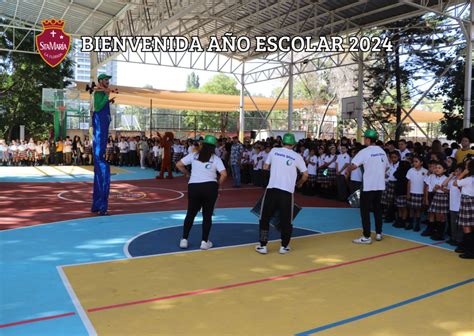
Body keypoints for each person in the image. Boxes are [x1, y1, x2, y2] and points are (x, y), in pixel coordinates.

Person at [255, 133, 308, 254]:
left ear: (282, 142)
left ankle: (263, 245)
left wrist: (271, 177)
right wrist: (299, 183)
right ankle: (284, 246)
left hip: (272, 189)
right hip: (287, 192)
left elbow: (265, 166)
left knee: (264, 218)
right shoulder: (297, 156)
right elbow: (305, 175)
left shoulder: (274, 151)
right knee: (286, 220)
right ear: (293, 144)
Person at [176, 135, 227, 250]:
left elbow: (179, 164)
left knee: (190, 213)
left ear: (202, 144)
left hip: (194, 187)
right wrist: (218, 184)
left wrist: (187, 173)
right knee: (207, 215)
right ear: (214, 147)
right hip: (210, 187)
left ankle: (184, 239)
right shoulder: (216, 159)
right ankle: (204, 241)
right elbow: (224, 174)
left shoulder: (194, 155)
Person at [346, 130, 388, 244]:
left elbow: (354, 166)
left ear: (369, 140)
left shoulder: (364, 152)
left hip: (368, 185)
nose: (364, 140)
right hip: (379, 185)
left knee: (364, 211)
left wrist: (347, 170)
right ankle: (379, 233)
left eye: (365, 138)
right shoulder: (382, 151)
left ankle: (366, 236)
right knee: (377, 209)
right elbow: (387, 167)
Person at [91, 73, 113, 216]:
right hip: (99, 135)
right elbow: (98, 107)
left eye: (108, 80)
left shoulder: (101, 92)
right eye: (106, 80)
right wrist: (106, 96)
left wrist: (108, 100)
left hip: (102, 134)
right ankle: (102, 207)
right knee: (103, 171)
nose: (108, 82)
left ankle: (97, 205)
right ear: (100, 81)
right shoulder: (99, 94)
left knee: (99, 171)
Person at [453, 159, 474, 259]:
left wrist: (463, 174)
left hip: (467, 203)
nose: (465, 167)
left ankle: (470, 251)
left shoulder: (468, 179)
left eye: (467, 166)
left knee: (466, 227)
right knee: (471, 226)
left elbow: (455, 183)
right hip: (471, 202)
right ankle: (468, 248)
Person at [426, 161, 449, 241]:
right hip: (436, 196)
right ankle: (434, 231)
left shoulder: (446, 178)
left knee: (442, 216)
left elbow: (448, 191)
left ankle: (440, 233)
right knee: (435, 214)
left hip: (443, 197)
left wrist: (441, 188)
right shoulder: (432, 176)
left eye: (439, 168)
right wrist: (435, 189)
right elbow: (431, 189)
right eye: (436, 168)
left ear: (444, 170)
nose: (437, 169)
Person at [406, 156, 428, 231]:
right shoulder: (410, 170)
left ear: (421, 162)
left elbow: (425, 184)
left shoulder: (425, 171)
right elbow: (409, 182)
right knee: (411, 209)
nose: (414, 163)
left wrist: (424, 195)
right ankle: (411, 223)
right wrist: (408, 193)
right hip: (412, 192)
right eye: (414, 161)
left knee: (418, 209)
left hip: (420, 193)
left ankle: (417, 224)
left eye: (416, 161)